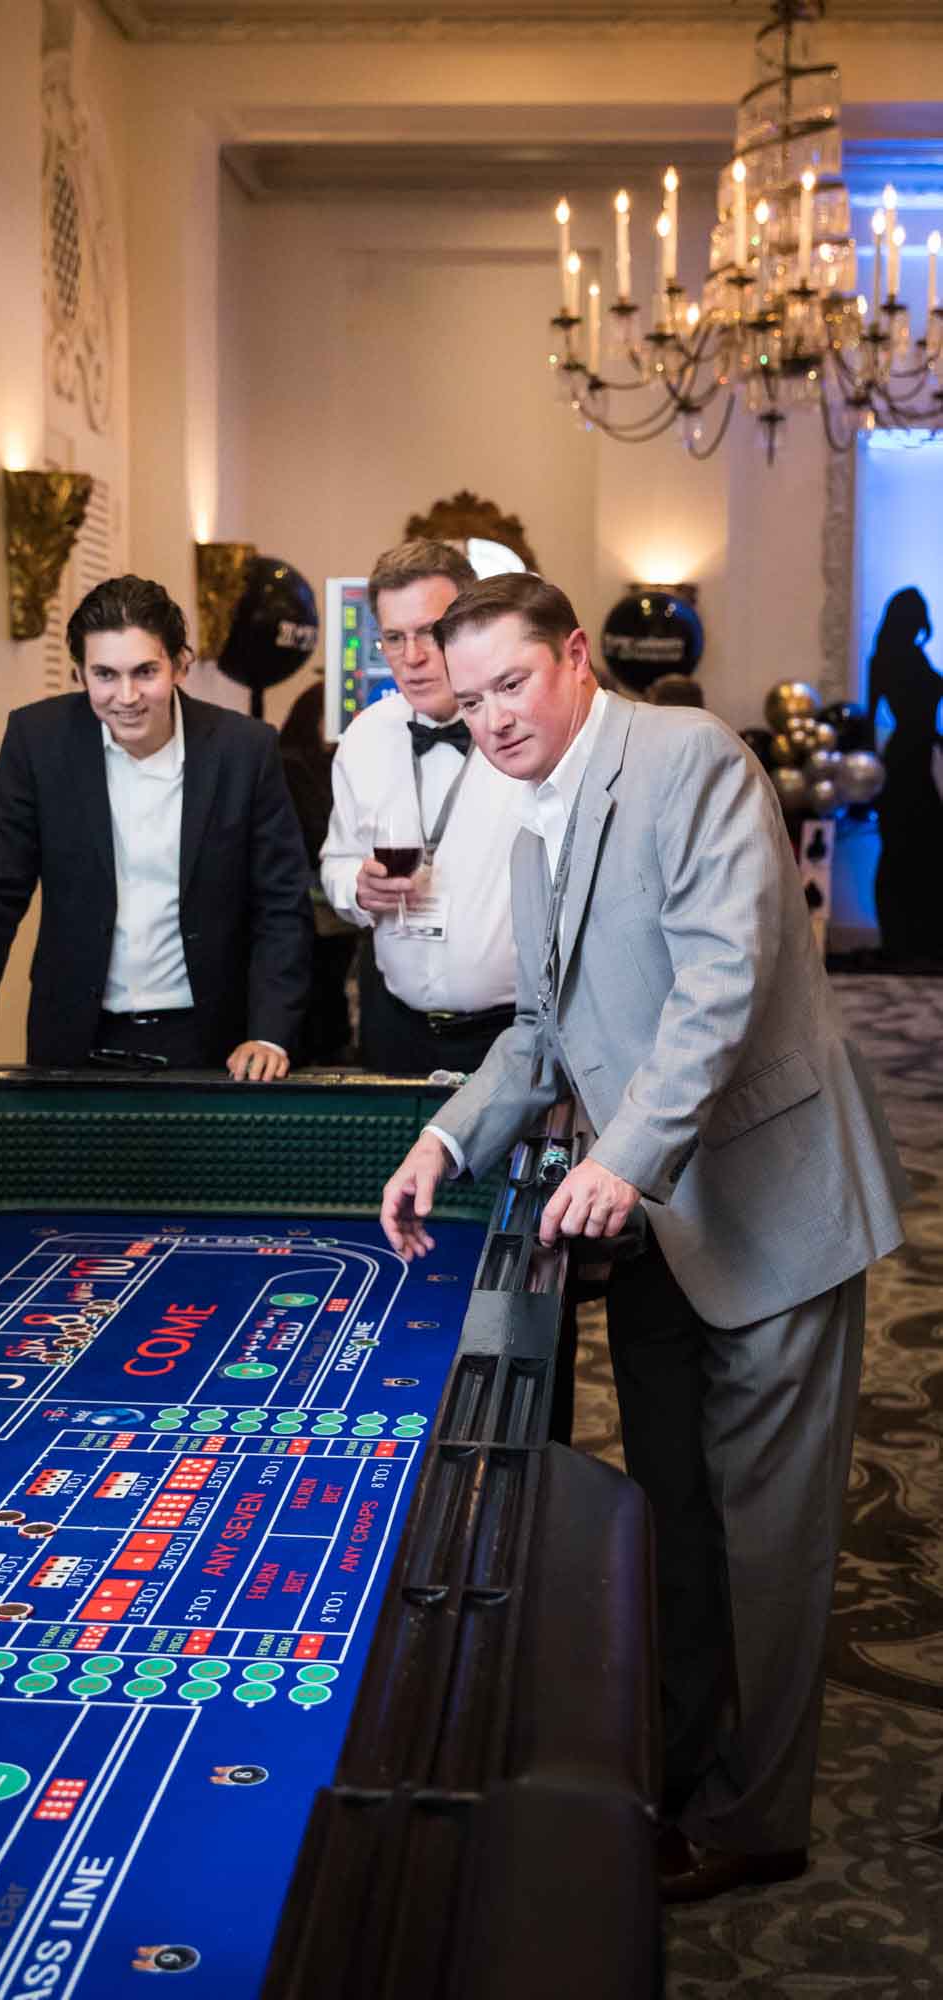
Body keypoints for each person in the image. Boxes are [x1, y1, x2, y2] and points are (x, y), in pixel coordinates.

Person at [378, 573, 908, 1902]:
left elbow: (721, 983)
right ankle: (676, 1771)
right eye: (470, 697)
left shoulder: (691, 759)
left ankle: (754, 1819)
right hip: (658, 1222)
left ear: (575, 657)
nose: (492, 717)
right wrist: (444, 1139)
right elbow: (540, 1033)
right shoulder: (532, 828)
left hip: (768, 1203)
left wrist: (618, 1157)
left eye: (512, 683)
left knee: (766, 1539)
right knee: (675, 1517)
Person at [0, 575, 311, 1083]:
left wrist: (269, 1033)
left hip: (214, 1040)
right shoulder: (37, 741)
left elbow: (281, 902)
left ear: (180, 665)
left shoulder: (245, 748)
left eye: (145, 672)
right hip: (73, 1036)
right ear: (79, 673)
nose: (126, 696)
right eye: (105, 675)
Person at [320, 539, 526, 1077]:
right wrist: (356, 890)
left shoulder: (526, 734)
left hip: (511, 1034)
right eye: (394, 637)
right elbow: (336, 860)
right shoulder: (363, 739)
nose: (411, 658)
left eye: (430, 632)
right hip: (393, 1029)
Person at [279, 682, 356, 1062]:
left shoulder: (335, 764)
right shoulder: (292, 765)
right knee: (320, 992)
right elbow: (314, 833)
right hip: (312, 905)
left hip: (333, 910)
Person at [867, 585, 943, 964]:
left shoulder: (898, 657)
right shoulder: (892, 659)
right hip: (903, 763)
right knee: (903, 849)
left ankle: (915, 939)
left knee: (918, 849)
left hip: (915, 756)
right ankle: (902, 940)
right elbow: (871, 719)